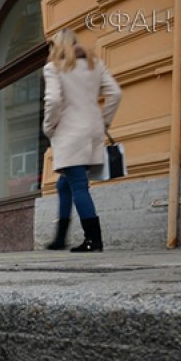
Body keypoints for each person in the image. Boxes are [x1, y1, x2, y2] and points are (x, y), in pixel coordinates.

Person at [42, 27, 121, 253]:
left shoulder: (53, 68)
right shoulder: (95, 64)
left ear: (56, 48)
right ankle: (60, 239)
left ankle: (93, 241)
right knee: (64, 184)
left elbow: (54, 101)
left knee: (78, 185)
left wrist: (49, 127)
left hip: (69, 133)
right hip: (92, 132)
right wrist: (103, 122)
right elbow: (115, 93)